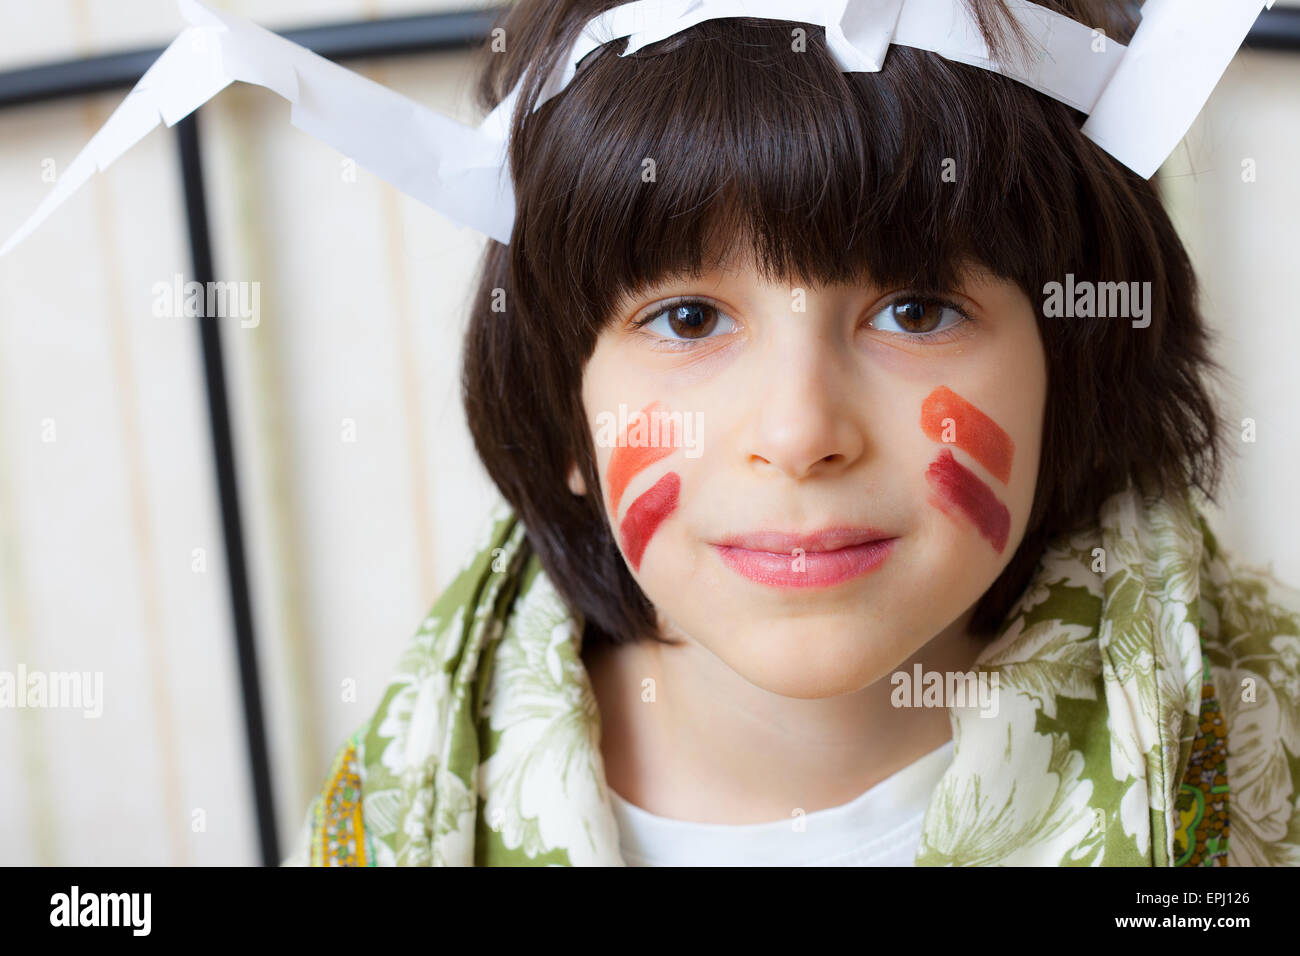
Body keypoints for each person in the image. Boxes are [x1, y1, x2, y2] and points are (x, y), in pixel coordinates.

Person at [285, 0, 1300, 866]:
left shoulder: (1266, 735)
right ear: (562, 404)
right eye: (687, 318)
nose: (799, 430)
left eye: (915, 310)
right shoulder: (403, 804)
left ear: (1070, 368)